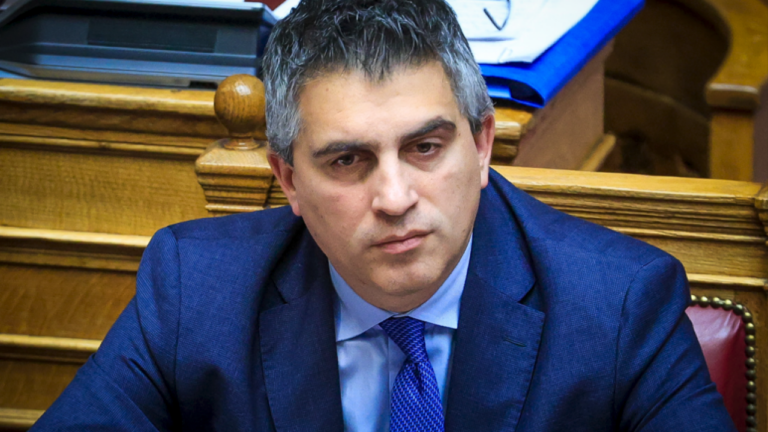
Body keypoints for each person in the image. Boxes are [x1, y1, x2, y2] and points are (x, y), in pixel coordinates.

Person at [32, 0, 736, 431]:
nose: (395, 198)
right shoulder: (196, 291)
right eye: (347, 160)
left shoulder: (618, 304)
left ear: (481, 145)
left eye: (425, 148)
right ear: (288, 179)